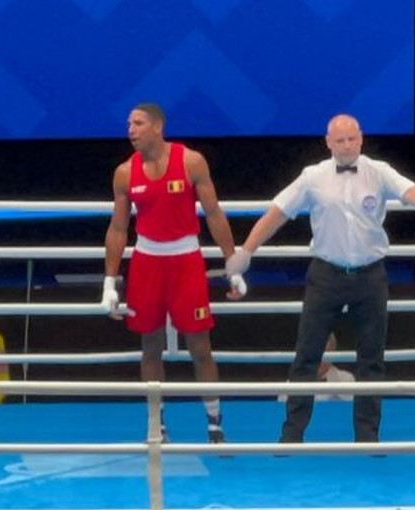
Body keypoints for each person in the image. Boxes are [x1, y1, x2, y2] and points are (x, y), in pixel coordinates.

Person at [227, 113, 415, 443]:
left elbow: (411, 191)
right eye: (340, 140)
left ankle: (367, 437)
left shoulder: (379, 170)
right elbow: (277, 212)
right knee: (306, 355)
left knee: (372, 358)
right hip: (325, 274)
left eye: (352, 139)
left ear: (360, 138)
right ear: (328, 142)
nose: (347, 146)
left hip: (370, 275)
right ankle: (291, 435)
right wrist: (245, 252)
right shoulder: (312, 176)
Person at [102, 103, 247, 443]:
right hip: (147, 263)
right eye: (128, 123)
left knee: (200, 346)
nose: (131, 130)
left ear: (157, 126)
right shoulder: (125, 172)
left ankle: (214, 423)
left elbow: (213, 214)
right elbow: (118, 228)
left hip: (186, 262)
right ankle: (157, 424)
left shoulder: (191, 161)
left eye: (137, 123)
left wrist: (233, 263)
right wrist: (110, 280)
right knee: (149, 346)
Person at [278, 333, 355, 402]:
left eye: (323, 354)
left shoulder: (347, 380)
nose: (318, 359)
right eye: (313, 353)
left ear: (333, 352)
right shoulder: (291, 384)